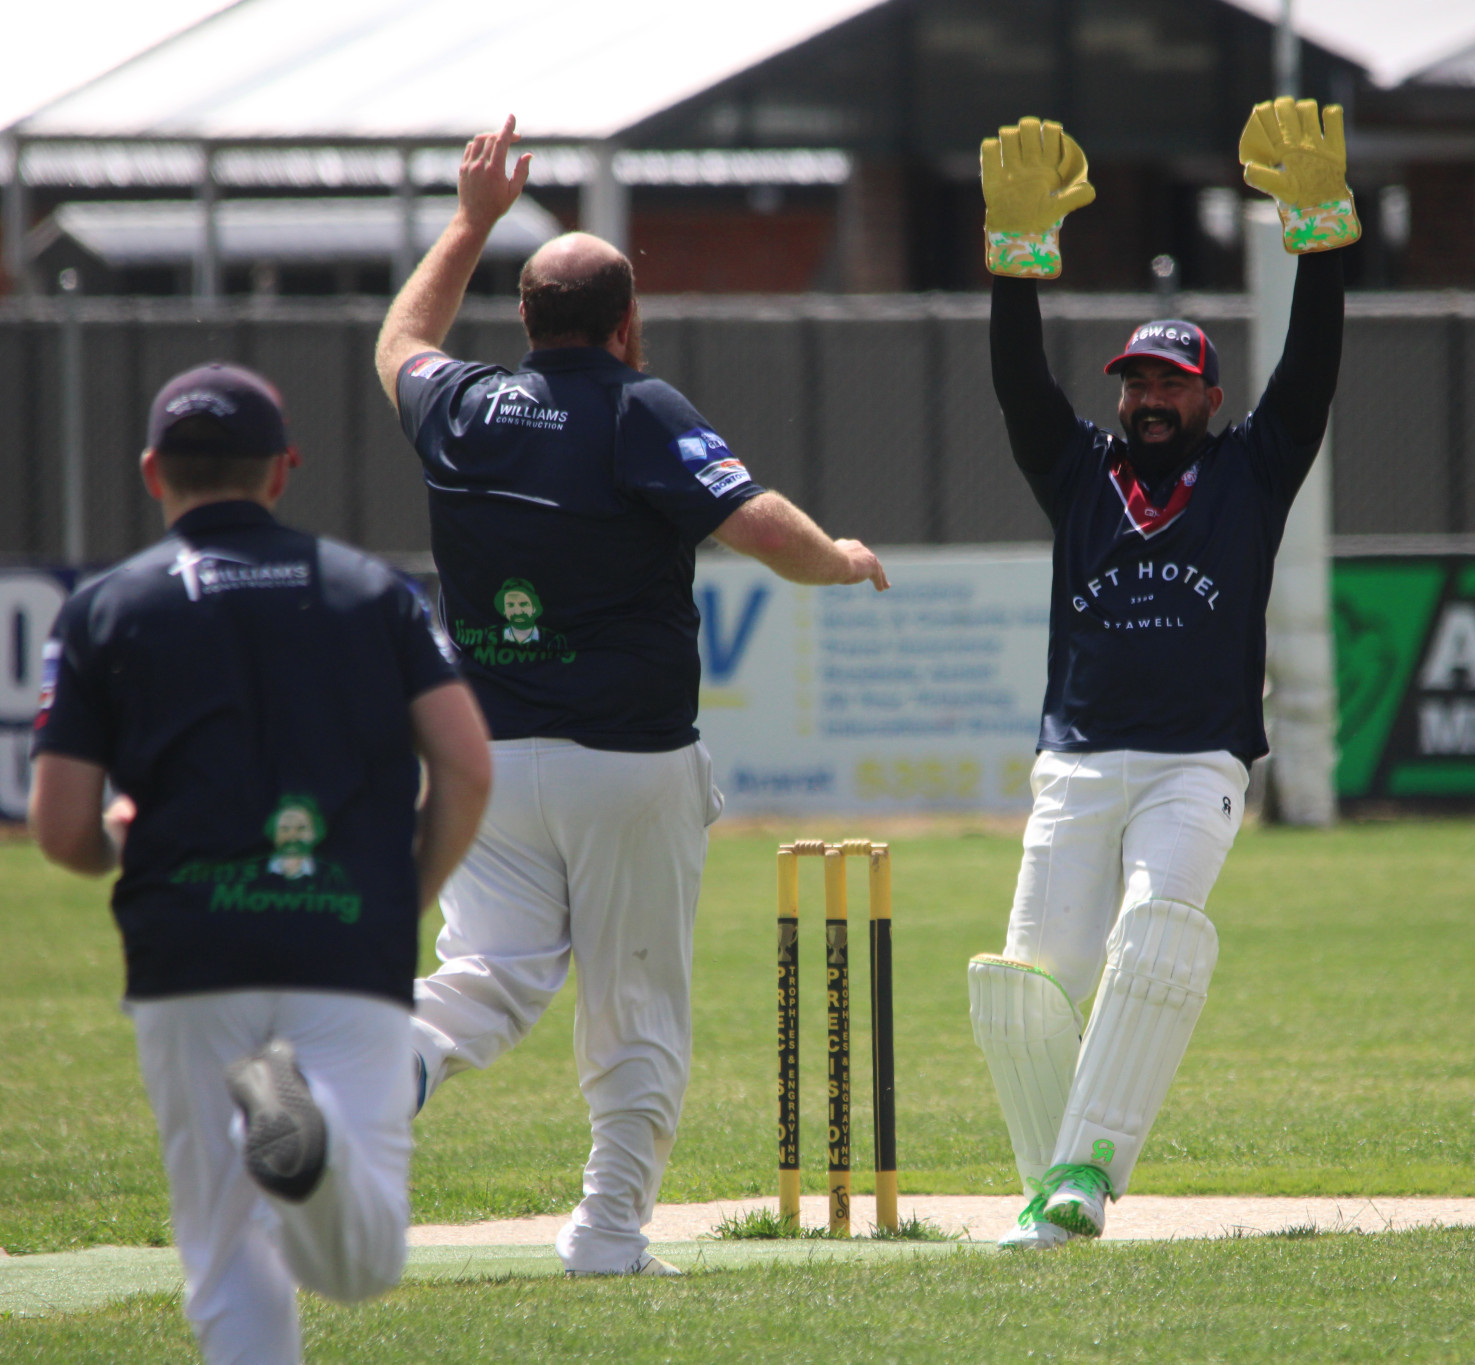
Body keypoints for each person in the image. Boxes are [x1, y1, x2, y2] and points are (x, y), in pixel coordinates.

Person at [374, 115, 890, 1276]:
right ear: (625, 325)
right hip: (628, 763)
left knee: (491, 975)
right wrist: (843, 558)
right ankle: (606, 1235)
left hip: (488, 760)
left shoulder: (460, 406)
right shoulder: (635, 406)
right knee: (635, 1007)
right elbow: (764, 529)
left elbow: (399, 337)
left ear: (522, 321)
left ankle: (372, 1060)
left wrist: (469, 221)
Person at [28, 362, 493, 1364]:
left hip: (186, 953)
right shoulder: (373, 591)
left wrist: (124, 838)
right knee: (356, 1269)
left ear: (154, 471)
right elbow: (465, 765)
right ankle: (304, 1142)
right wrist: (403, 892)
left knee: (227, 1255)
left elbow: (60, 830)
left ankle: (290, 1140)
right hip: (345, 936)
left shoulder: (108, 607)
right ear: (282, 471)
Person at [965, 101, 1355, 1248]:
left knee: (1155, 936)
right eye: (1133, 380)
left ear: (1208, 400)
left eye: (1170, 383)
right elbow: (1014, 386)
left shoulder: (1251, 471)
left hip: (1196, 763)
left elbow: (1314, 373)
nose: (1146, 396)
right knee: (1024, 985)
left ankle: (1082, 1170)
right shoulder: (1075, 473)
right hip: (1074, 763)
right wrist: (1013, 264)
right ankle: (1054, 1195)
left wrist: (1320, 241)